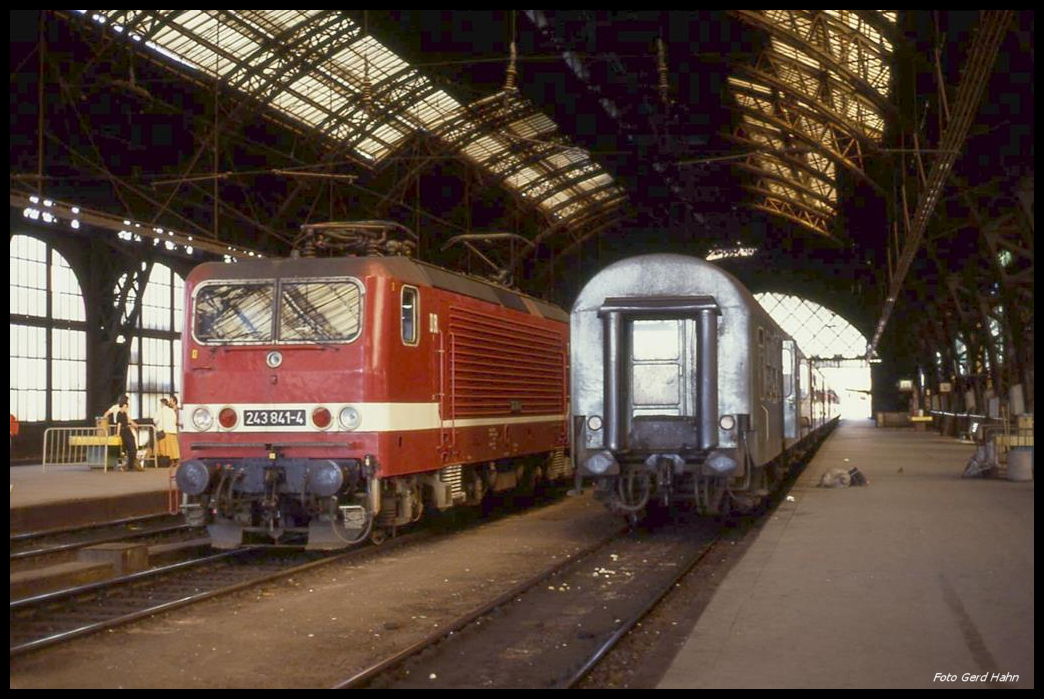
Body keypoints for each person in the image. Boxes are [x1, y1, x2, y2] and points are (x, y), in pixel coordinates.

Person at [116, 396, 142, 471]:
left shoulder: (125, 413)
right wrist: (118, 434)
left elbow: (129, 420)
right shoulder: (119, 414)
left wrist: (135, 425)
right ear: (123, 406)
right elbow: (119, 424)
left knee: (133, 445)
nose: (126, 408)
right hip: (123, 431)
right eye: (125, 407)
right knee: (130, 446)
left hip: (127, 430)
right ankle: (130, 465)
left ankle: (131, 464)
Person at [154, 397, 181, 468]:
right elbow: (175, 420)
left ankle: (168, 463)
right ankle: (176, 462)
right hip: (172, 432)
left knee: (165, 450)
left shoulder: (160, 410)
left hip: (164, 432)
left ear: (162, 403)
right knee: (173, 449)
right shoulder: (172, 410)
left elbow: (155, 420)